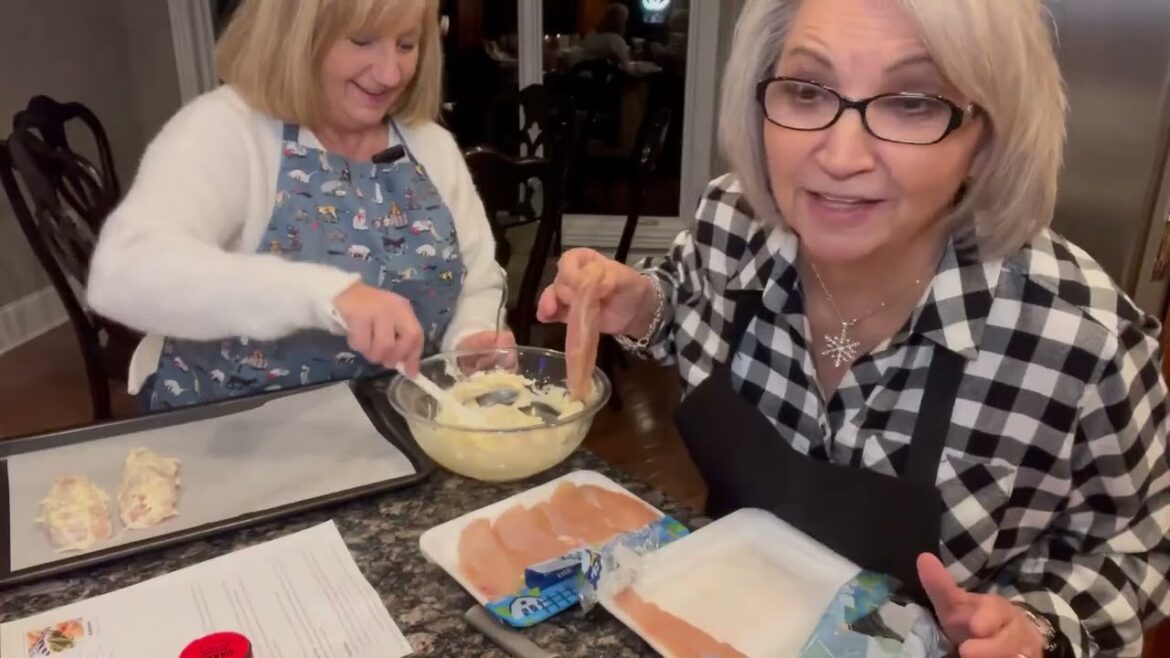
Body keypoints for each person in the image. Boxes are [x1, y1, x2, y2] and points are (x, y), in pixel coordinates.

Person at [538, 0, 1170, 655]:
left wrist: (1039, 629)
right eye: (808, 91)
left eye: (913, 101)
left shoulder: (1078, 339)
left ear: (985, 137)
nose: (840, 156)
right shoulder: (731, 223)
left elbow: (1147, 536)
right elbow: (690, 314)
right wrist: (643, 306)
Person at [86, 0, 510, 410]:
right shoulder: (226, 129)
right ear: (297, 34)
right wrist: (329, 294)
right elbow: (122, 273)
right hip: (228, 437)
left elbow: (478, 280)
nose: (390, 72)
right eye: (362, 40)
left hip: (396, 428)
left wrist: (471, 339)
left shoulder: (429, 145)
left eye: (406, 44)